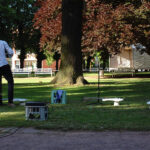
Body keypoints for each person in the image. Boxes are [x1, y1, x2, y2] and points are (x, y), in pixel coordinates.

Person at [0, 40, 14, 106]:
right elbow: (11, 52)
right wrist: (8, 56)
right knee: (10, 82)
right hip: (3, 64)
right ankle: (10, 102)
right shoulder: (3, 42)